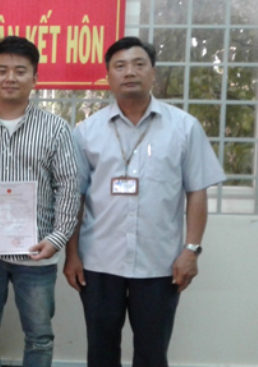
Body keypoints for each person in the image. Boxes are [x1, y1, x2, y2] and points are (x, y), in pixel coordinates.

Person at [66, 37, 226, 367]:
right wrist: (72, 254)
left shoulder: (184, 127)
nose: (130, 72)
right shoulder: (86, 132)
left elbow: (197, 192)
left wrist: (191, 250)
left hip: (160, 263)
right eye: (120, 66)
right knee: (101, 352)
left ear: (153, 72)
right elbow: (75, 197)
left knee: (152, 354)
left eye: (139, 64)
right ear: (108, 76)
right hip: (99, 262)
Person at [0, 36, 80, 367]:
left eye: (20, 71)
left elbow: (69, 187)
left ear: (35, 78)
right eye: (2, 70)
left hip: (37, 251)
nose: (10, 77)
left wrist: (57, 239)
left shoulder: (56, 129)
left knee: (39, 337)